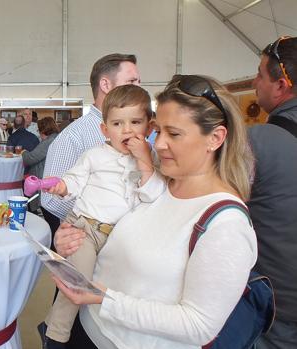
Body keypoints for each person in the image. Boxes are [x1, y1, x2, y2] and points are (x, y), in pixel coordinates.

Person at [51, 74, 256, 349]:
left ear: (215, 138)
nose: (158, 143)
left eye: (174, 134)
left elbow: (198, 325)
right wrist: (70, 239)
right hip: (88, 327)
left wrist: (105, 299)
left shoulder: (226, 224)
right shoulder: (155, 183)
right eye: (158, 130)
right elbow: (108, 233)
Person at [40, 85, 165, 348]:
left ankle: (91, 331)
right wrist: (63, 187)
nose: (127, 130)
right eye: (118, 124)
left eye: (135, 122)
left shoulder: (152, 159)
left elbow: (154, 195)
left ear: (150, 128)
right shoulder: (95, 155)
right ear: (105, 130)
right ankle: (56, 333)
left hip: (118, 236)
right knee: (79, 280)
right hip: (85, 228)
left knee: (111, 288)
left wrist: (144, 161)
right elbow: (75, 178)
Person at [41, 53, 141, 236]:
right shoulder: (74, 137)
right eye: (132, 81)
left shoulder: (141, 132)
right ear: (105, 85)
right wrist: (96, 224)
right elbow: (50, 199)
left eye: (139, 82)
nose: (139, 88)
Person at [249, 36, 297, 349]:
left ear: (280, 86)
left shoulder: (258, 141)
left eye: (260, 75)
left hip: (277, 312)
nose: (254, 82)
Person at [20, 117, 59, 212]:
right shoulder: (56, 138)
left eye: (39, 129)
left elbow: (31, 158)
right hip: (51, 180)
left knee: (49, 215)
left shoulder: (49, 141)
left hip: (44, 182)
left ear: (43, 129)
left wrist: (23, 152)